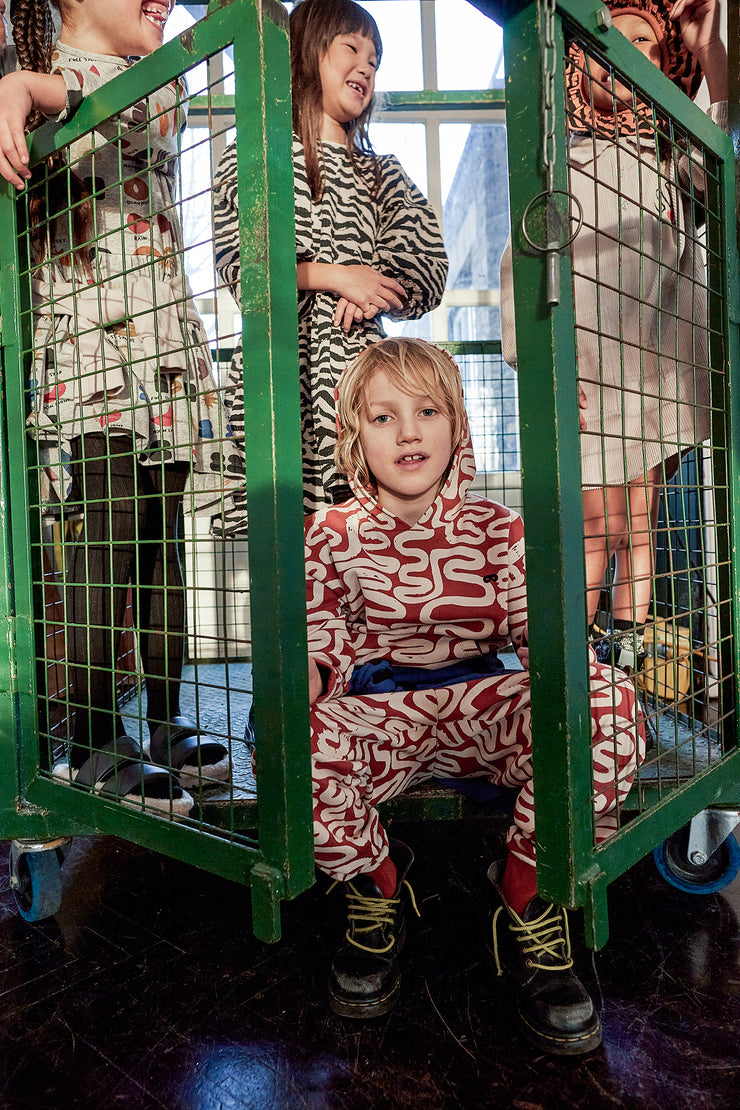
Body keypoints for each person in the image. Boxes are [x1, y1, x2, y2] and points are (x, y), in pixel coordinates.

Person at [304, 336, 644, 1054]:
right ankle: (378, 886)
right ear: (353, 437)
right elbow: (322, 638)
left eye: (427, 411)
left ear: (457, 426)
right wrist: (298, 690)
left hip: (480, 709)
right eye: (383, 417)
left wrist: (576, 695)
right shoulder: (330, 535)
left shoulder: (498, 530)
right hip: (382, 713)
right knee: (289, 736)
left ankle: (527, 893)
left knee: (606, 700)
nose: (408, 432)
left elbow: (543, 637)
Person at [0, 0, 239, 810]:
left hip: (163, 352)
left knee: (159, 540)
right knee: (106, 535)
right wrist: (19, 89)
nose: (167, 2)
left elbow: (148, 108)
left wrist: (29, 88)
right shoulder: (26, 82)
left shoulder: (144, 81)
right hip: (89, 353)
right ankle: (96, 736)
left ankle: (162, 719)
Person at [501, 0, 727, 675]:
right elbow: (522, 268)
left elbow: (724, 137)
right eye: (610, 42)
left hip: (654, 374)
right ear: (577, 68)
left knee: (641, 522)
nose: (626, 55)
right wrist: (539, 365)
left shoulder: (673, 159)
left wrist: (697, 38)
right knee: (594, 525)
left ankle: (623, 676)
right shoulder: (557, 164)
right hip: (589, 381)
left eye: (644, 45)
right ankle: (575, 679)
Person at [212, 0, 448, 530]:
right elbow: (239, 265)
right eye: (352, 48)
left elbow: (427, 263)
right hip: (278, 373)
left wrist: (372, 290)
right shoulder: (253, 155)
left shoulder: (381, 173)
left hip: (363, 384)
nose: (365, 66)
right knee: (288, 551)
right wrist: (337, 276)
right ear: (306, 51)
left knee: (367, 543)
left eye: (375, 59)